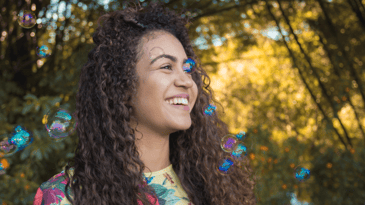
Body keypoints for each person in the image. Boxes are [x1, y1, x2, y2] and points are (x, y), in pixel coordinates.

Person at [33, 1, 256, 205]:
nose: (186, 81)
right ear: (123, 87)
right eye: (166, 67)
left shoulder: (214, 186)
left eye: (187, 69)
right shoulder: (63, 195)